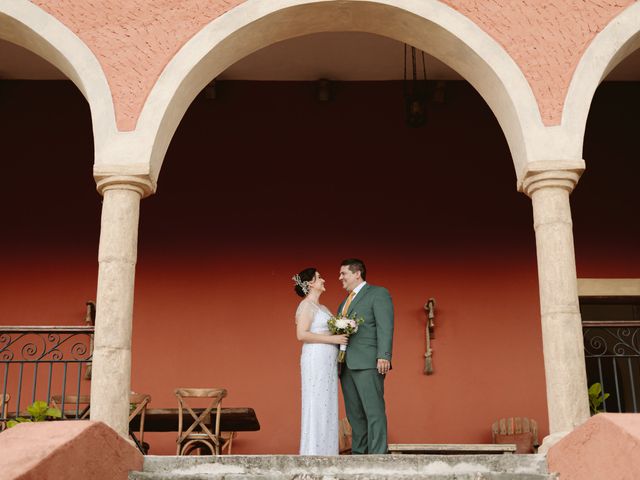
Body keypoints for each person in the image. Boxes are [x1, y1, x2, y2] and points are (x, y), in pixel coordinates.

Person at [338, 258, 394, 454]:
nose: (340, 278)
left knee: (373, 411)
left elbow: (385, 326)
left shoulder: (378, 293)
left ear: (357, 273)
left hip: (369, 362)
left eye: (343, 273)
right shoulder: (344, 303)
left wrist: (384, 355)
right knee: (354, 414)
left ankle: (378, 454)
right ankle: (359, 454)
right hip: (346, 366)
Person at [293, 267, 348, 455]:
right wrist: (334, 339)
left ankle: (328, 453)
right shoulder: (306, 306)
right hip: (315, 358)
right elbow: (301, 334)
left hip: (328, 360)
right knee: (316, 402)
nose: (323, 280)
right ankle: (313, 453)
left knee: (328, 404)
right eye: (319, 277)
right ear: (310, 284)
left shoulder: (322, 308)